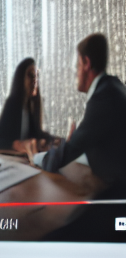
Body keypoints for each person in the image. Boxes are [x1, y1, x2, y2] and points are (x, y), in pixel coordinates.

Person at [40, 33, 126, 241]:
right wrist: (73, 142)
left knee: (53, 233)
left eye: (76, 66)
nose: (75, 73)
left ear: (86, 63)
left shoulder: (104, 97)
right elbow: (91, 140)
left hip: (118, 198)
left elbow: (72, 149)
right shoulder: (114, 87)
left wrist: (39, 159)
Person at [0, 57, 55, 153]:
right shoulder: (12, 104)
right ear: (21, 78)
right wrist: (15, 144)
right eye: (30, 76)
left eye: (36, 76)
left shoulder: (29, 106)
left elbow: (36, 133)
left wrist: (54, 140)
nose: (34, 81)